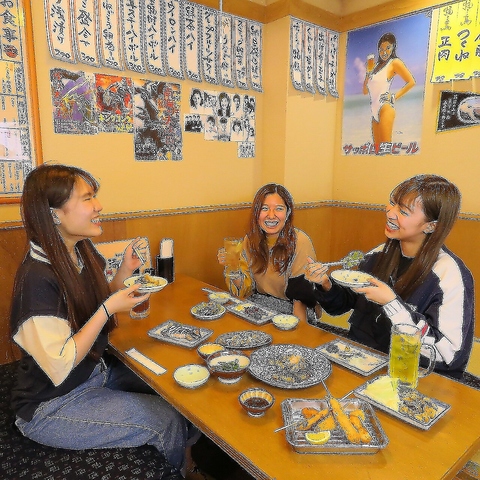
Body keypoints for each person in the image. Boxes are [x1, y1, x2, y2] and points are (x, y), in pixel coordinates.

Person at [10, 164, 202, 478]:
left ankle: (190, 462)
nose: (98, 206)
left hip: (92, 372)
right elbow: (61, 363)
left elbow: (93, 304)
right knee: (165, 419)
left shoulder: (78, 250)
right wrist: (108, 308)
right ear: (54, 214)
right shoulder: (37, 279)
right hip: (52, 404)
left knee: (179, 387)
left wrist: (124, 273)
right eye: (87, 198)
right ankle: (179, 472)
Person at [305, 174, 474, 379]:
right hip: (360, 360)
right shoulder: (378, 255)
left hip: (408, 376)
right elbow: (344, 304)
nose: (390, 212)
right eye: (392, 203)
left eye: (403, 211)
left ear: (431, 226)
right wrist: (325, 284)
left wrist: (391, 304)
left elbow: (448, 356)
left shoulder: (449, 275)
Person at [217, 183, 318, 323]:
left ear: (288, 213)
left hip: (292, 310)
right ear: (256, 213)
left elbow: (301, 297)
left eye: (279, 209)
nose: (271, 215)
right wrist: (232, 267)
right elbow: (244, 291)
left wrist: (297, 331)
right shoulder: (249, 240)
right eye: (264, 208)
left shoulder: (300, 241)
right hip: (259, 305)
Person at [363, 32, 415, 151]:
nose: (384, 52)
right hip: (374, 112)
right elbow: (365, 91)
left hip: (385, 108)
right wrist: (368, 73)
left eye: (388, 48)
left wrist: (393, 97)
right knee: (378, 152)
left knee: (386, 150)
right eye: (381, 49)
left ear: (393, 47)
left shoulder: (394, 62)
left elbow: (411, 82)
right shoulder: (375, 66)